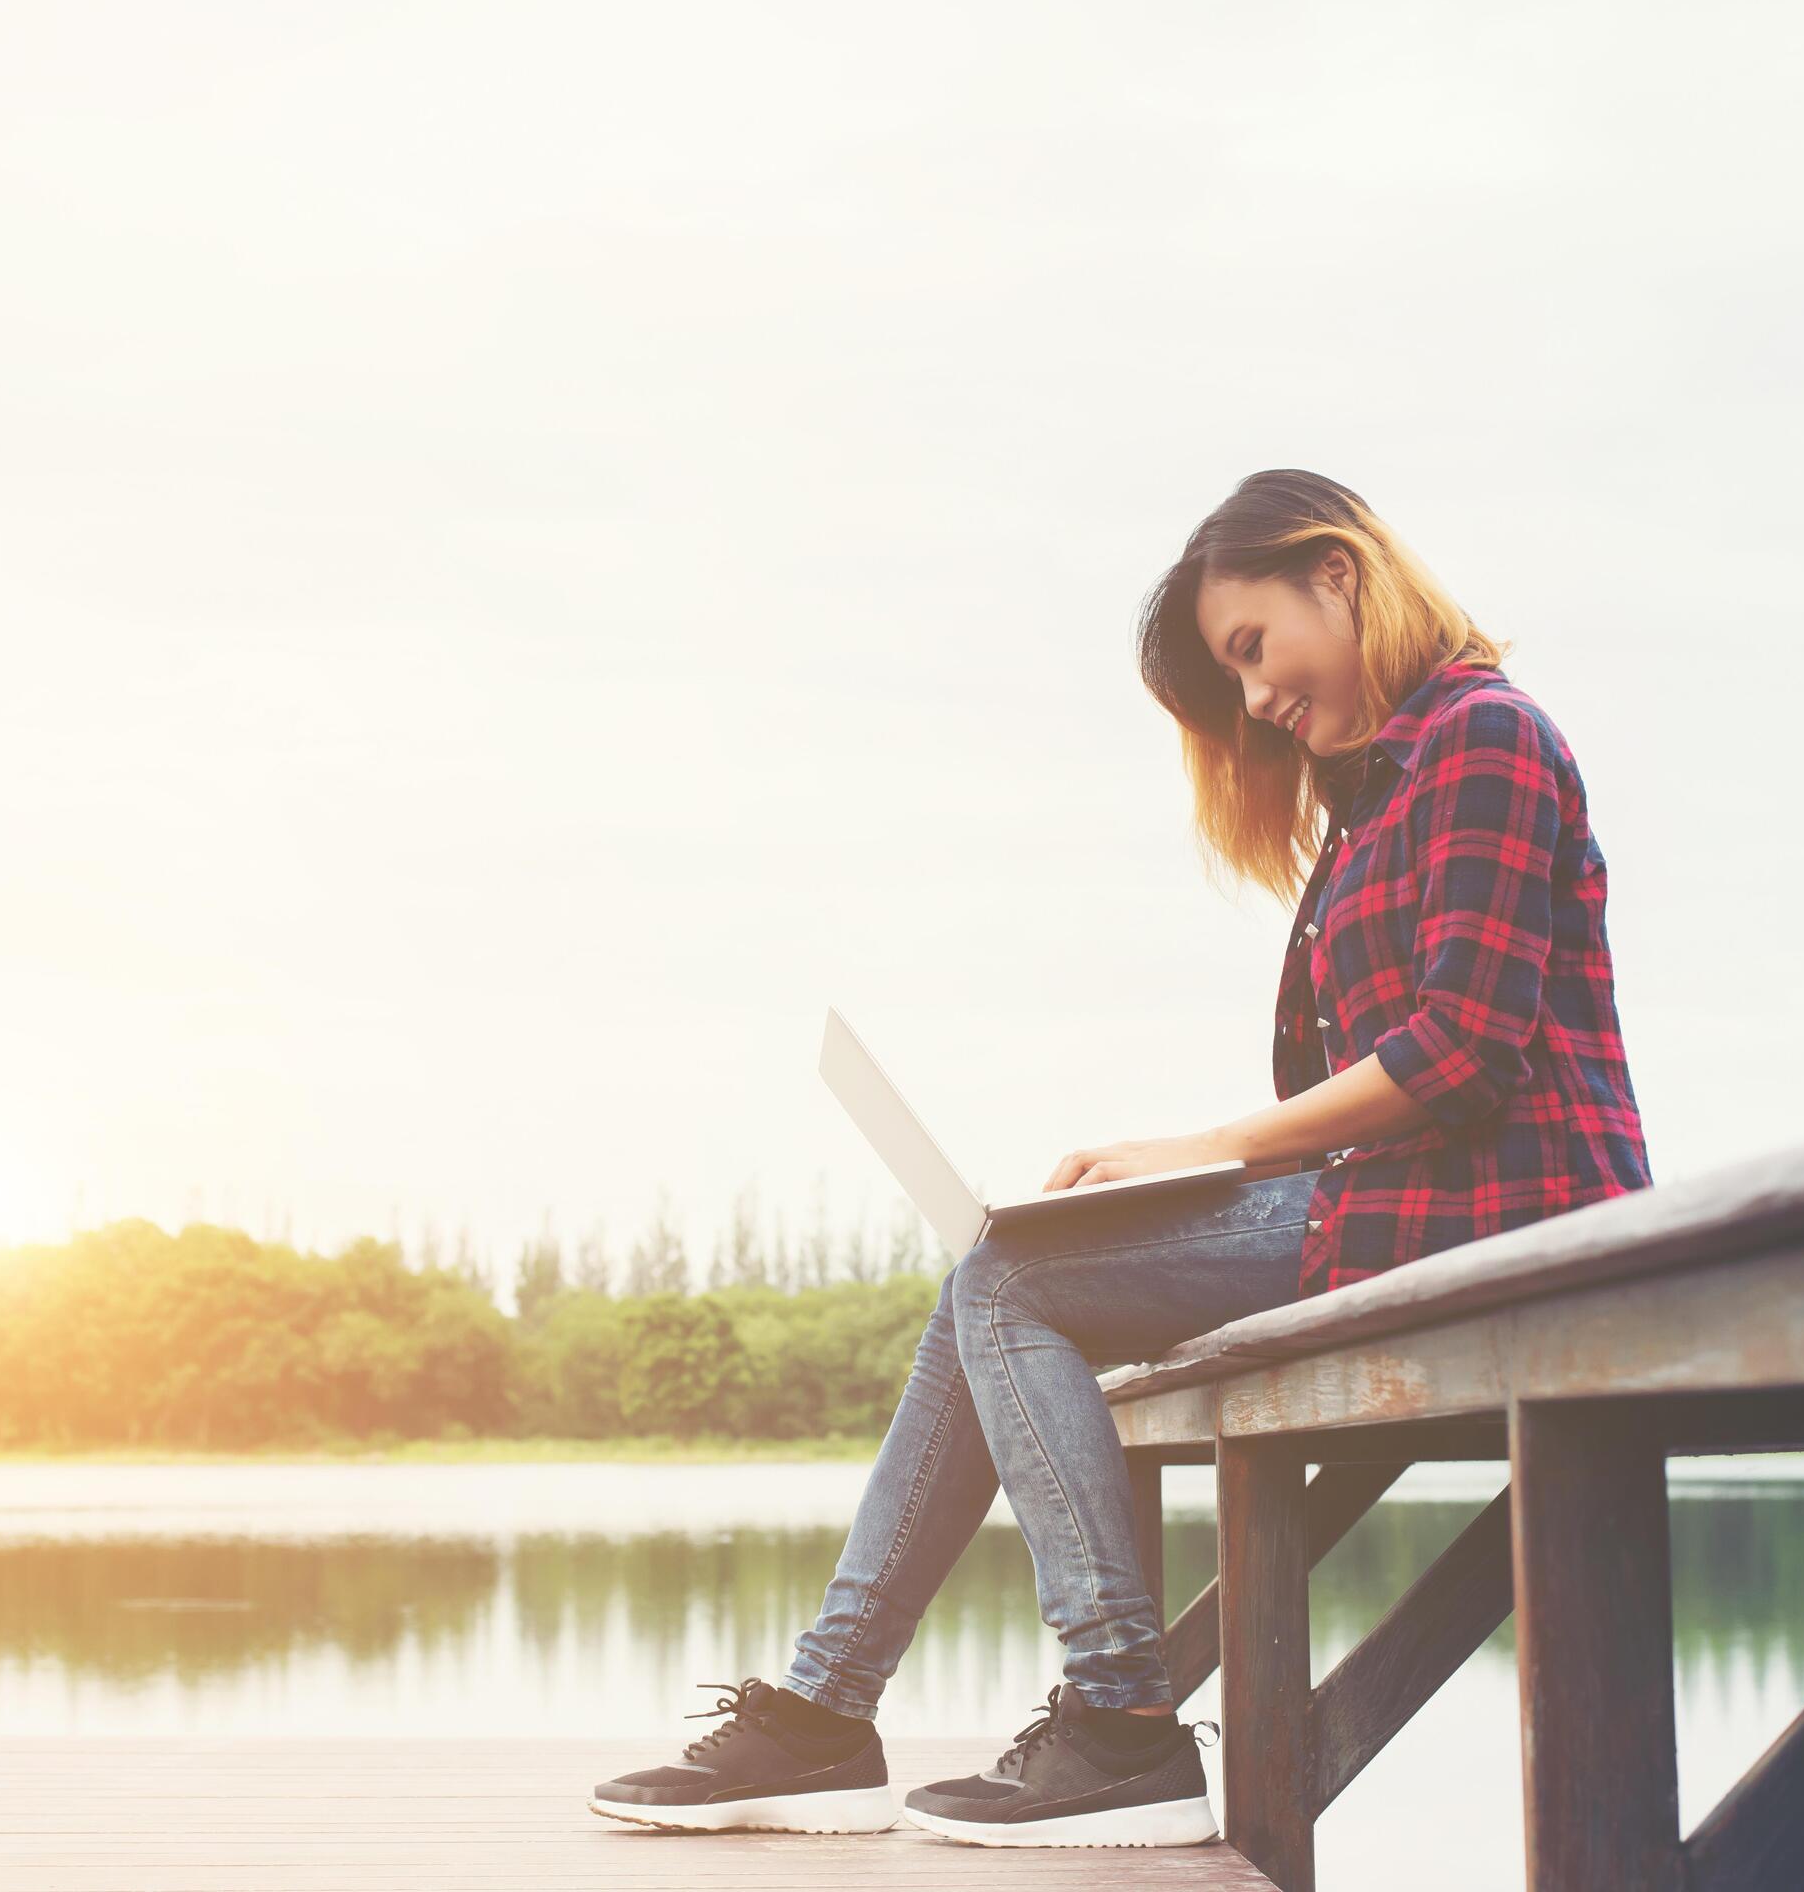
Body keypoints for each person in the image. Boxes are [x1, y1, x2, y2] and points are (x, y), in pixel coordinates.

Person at [588, 468, 1651, 1847]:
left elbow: (1462, 1054)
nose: (1257, 702)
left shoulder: (1485, 739)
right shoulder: (1382, 790)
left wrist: (1211, 1149)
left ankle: (1111, 1722)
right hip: (1399, 1206)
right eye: (1235, 681)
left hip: (1506, 1220)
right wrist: (1203, 1174)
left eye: (1250, 651)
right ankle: (829, 1715)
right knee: (996, 1268)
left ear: (1336, 573)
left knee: (1010, 1282)